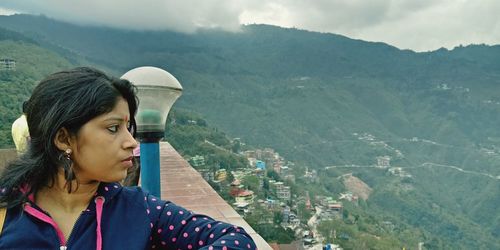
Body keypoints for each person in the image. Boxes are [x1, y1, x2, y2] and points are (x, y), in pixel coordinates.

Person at [0, 67, 256, 249]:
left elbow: (237, 240)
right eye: (113, 128)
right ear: (64, 139)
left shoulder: (140, 210)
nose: (131, 142)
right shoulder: (7, 211)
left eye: (128, 128)